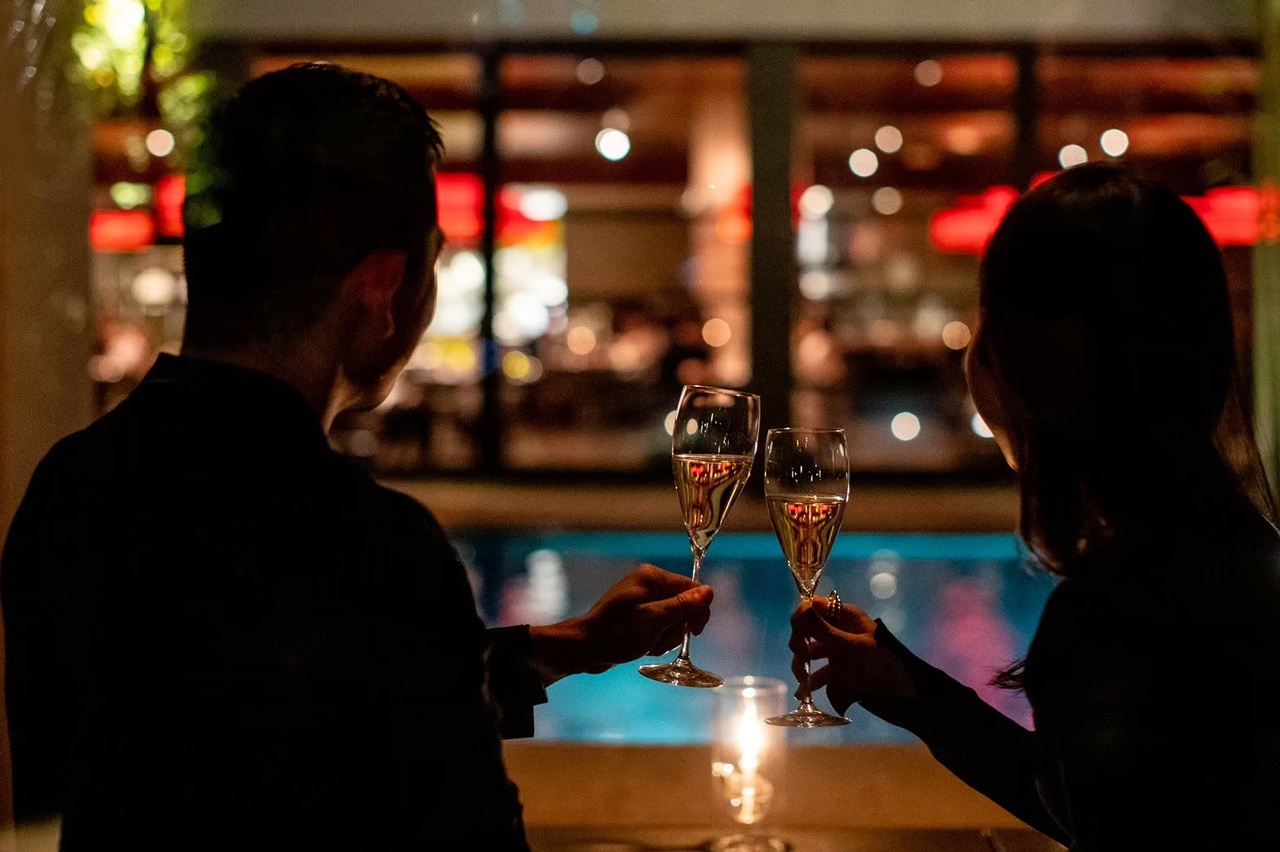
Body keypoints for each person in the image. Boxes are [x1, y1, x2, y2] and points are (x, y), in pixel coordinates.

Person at [0, 62, 713, 851]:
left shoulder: (72, 486)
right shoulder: (368, 547)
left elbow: (224, 708)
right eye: (432, 264)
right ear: (382, 286)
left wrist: (563, 649)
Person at [789, 162, 1280, 851]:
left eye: (983, 321)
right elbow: (1103, 803)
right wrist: (914, 691)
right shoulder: (1242, 561)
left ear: (1026, 364)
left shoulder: (1109, 617)